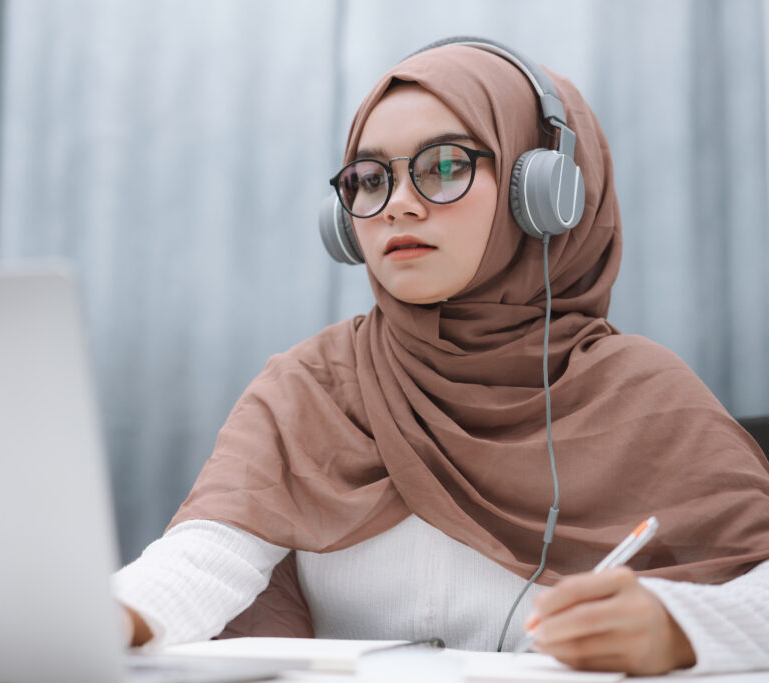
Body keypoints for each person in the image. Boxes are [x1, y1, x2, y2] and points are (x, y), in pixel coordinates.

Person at [113, 38, 769, 675]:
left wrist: (681, 626)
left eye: (445, 166)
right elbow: (198, 564)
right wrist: (102, 616)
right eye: (369, 179)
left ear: (539, 194)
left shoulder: (641, 391)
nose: (397, 204)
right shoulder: (310, 386)